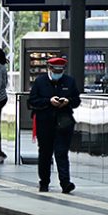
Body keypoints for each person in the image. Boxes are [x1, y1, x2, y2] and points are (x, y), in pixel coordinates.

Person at [28, 56, 81, 193]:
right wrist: (48, 101)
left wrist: (68, 101)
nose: (58, 72)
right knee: (45, 153)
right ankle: (44, 182)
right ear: (49, 69)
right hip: (44, 122)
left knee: (62, 152)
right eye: (55, 70)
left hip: (63, 123)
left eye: (60, 70)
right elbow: (32, 101)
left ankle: (65, 183)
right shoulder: (40, 82)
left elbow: (76, 100)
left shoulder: (69, 81)